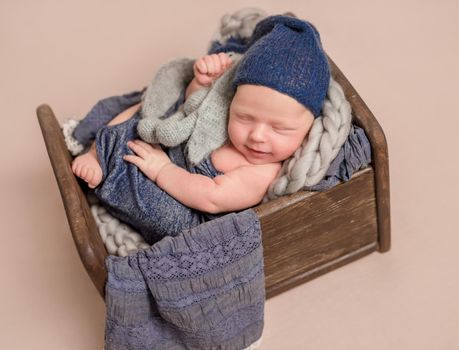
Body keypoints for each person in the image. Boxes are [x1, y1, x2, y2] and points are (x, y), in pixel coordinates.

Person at [71, 15, 330, 243]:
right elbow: (192, 108)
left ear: (309, 128)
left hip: (187, 202)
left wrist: (162, 170)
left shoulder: (264, 171)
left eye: (279, 128)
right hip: (166, 151)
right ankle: (97, 150)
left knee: (171, 222)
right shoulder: (224, 107)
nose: (257, 136)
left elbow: (212, 197)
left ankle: (110, 172)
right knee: (146, 108)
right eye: (244, 117)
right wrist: (201, 82)